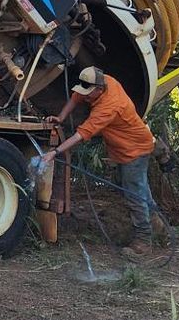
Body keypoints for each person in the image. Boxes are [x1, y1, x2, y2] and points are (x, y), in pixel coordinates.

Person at [39, 66, 162, 246]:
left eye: (89, 94)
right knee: (140, 188)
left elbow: (80, 135)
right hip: (122, 148)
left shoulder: (109, 107)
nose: (85, 96)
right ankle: (157, 226)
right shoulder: (103, 80)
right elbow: (77, 96)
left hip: (134, 150)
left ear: (100, 89)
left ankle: (143, 241)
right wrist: (61, 117)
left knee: (134, 193)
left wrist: (54, 152)